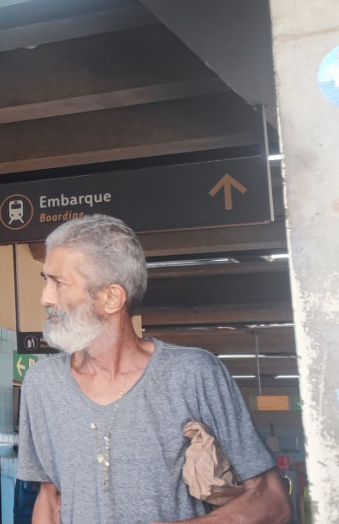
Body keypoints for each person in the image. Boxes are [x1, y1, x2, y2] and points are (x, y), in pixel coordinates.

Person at [17, 215, 290, 524]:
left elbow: (272, 500)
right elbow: (48, 498)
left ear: (111, 298)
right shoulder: (42, 384)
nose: (45, 298)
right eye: (45, 280)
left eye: (59, 283)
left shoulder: (193, 374)